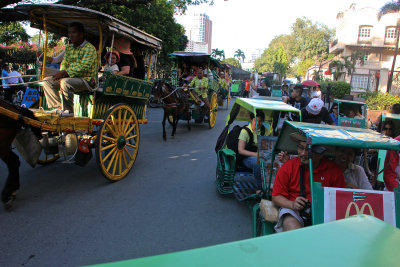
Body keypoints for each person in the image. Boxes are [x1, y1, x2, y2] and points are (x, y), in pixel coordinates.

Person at [272, 132, 346, 232]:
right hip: (294, 211)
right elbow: (276, 196)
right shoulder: (288, 167)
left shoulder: (334, 170)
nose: (303, 153)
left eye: (308, 150)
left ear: (321, 153)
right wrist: (292, 204)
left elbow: (341, 199)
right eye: (300, 148)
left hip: (325, 212)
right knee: (291, 224)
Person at [42, 22, 97, 116]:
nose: (71, 35)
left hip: (87, 80)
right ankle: (57, 107)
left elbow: (84, 66)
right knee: (47, 81)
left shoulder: (89, 48)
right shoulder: (69, 48)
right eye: (69, 33)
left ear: (81, 34)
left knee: (65, 82)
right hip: (70, 78)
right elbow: (64, 63)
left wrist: (65, 73)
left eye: (74, 32)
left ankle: (69, 111)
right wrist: (61, 73)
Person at [238, 110, 267, 192]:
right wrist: (256, 154)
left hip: (263, 155)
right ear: (251, 120)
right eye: (256, 120)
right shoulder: (245, 131)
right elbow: (240, 150)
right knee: (257, 162)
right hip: (247, 158)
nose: (258, 123)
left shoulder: (265, 131)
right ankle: (259, 188)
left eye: (260, 121)